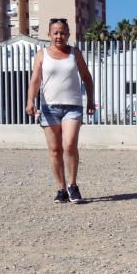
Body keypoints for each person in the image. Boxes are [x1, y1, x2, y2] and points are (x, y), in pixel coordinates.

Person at [26, 18, 96, 203]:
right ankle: (61, 189)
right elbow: (35, 80)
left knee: (69, 145)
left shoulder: (75, 53)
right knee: (55, 150)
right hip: (49, 108)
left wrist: (91, 101)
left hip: (73, 107)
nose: (59, 36)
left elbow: (87, 78)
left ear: (68, 34)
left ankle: (73, 186)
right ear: (49, 34)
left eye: (63, 32)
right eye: (55, 32)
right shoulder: (42, 55)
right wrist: (30, 101)